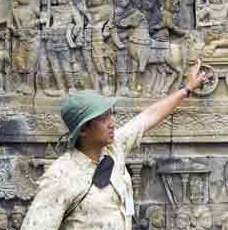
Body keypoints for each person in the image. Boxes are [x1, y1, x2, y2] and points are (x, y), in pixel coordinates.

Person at [20, 61, 206, 230]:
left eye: (110, 114)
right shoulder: (61, 176)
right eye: (103, 118)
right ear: (83, 130)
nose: (111, 123)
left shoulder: (114, 148)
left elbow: (148, 117)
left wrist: (186, 89)